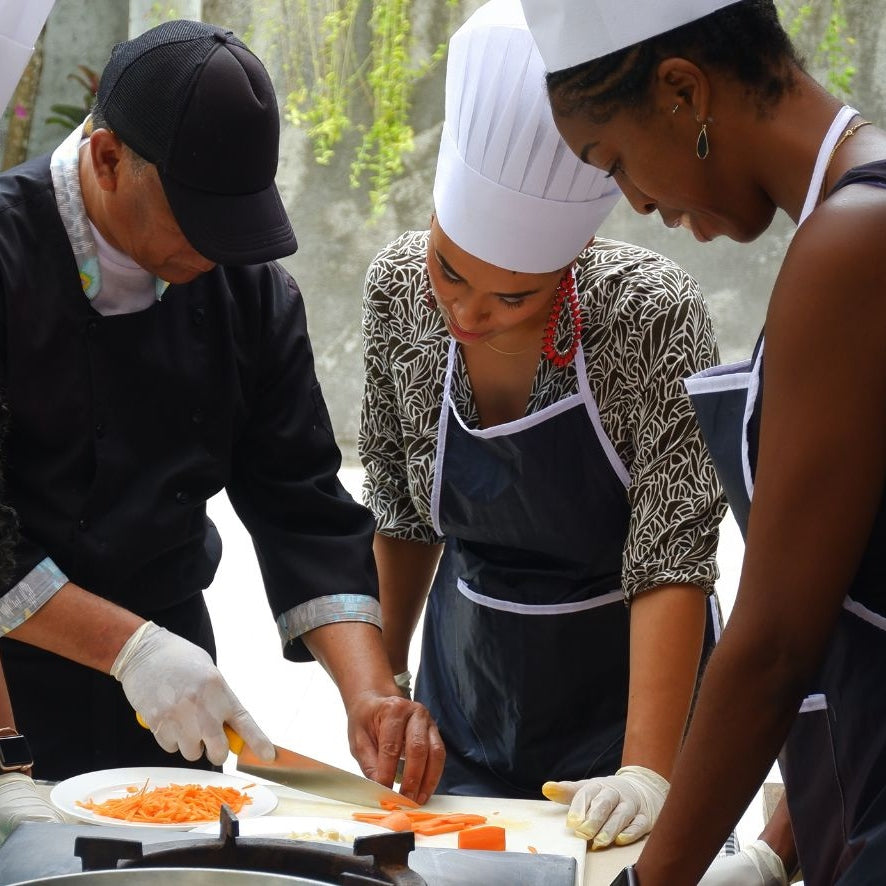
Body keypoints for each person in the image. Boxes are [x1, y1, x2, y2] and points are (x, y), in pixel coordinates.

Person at [0, 18, 444, 803]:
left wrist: (371, 692)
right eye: (196, 219)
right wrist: (128, 650)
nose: (217, 252)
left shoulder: (248, 288)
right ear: (107, 158)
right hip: (17, 670)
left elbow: (300, 500)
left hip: (175, 677)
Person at [519, 0, 886, 882]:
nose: (637, 202)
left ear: (683, 91)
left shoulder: (854, 244)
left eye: (614, 161)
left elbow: (772, 643)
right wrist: (773, 851)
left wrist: (656, 878)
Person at [359, 0, 726, 849]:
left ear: (567, 266)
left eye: (511, 297)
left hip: (630, 695)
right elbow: (400, 514)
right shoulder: (395, 292)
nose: (465, 312)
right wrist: (384, 689)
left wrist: (646, 771)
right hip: (473, 690)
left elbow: (674, 552)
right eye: (449, 271)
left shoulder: (648, 312)